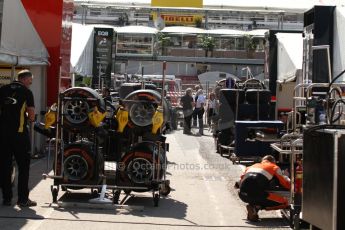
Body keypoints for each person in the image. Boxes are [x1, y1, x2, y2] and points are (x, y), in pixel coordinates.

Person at [0, 69, 37, 207]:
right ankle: (22, 199)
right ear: (25, 79)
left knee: (5, 166)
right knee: (23, 167)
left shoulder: (3, 89)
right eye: (30, 81)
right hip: (19, 135)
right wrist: (29, 118)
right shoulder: (27, 92)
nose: (31, 83)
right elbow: (32, 114)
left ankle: (7, 199)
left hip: (3, 135)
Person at [237, 155, 290, 222]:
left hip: (242, 195)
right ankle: (256, 207)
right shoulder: (274, 167)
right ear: (274, 161)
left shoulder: (251, 166)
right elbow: (284, 183)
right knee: (285, 202)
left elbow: (239, 182)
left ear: (262, 161)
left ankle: (254, 210)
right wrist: (286, 177)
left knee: (258, 194)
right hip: (257, 195)